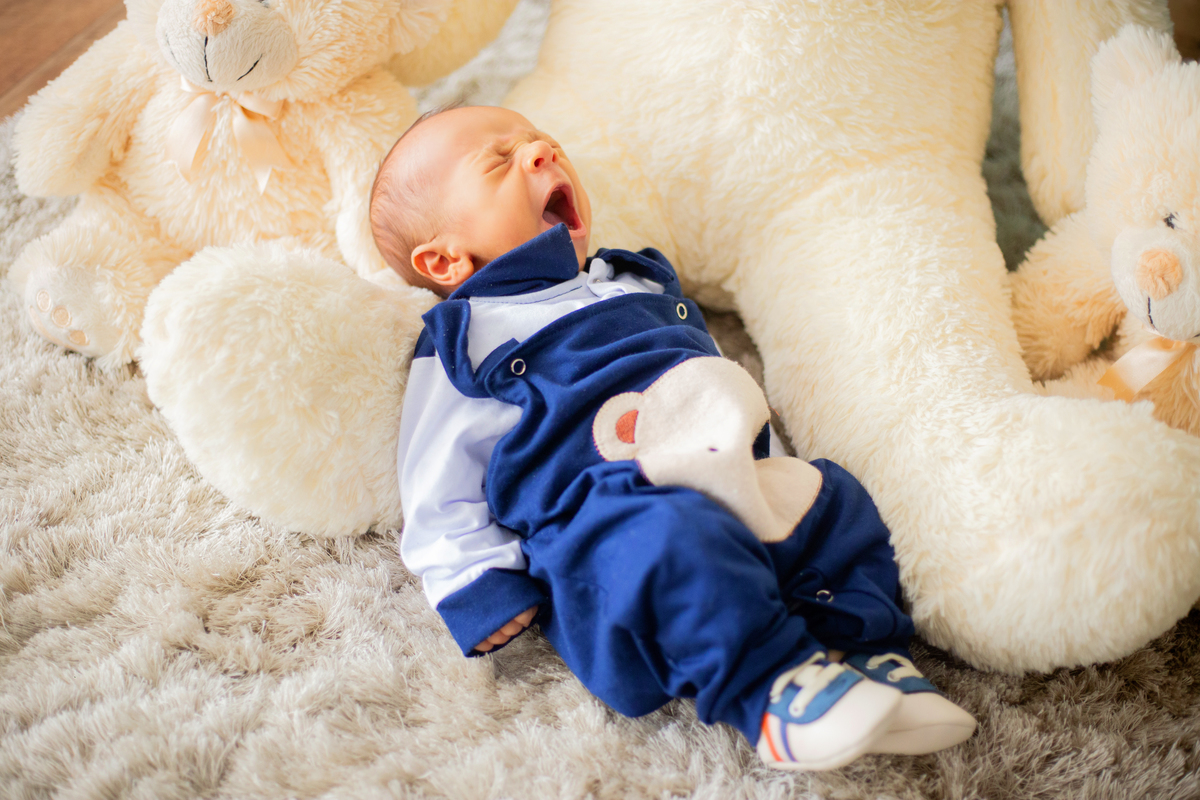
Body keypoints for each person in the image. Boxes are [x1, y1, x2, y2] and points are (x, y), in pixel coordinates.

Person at [370, 105, 976, 771]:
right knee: (669, 543)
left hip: (724, 471)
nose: (542, 151)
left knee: (828, 495)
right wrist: (478, 586)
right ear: (446, 258)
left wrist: (758, 460)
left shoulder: (633, 279)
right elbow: (435, 481)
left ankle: (862, 649)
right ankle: (771, 693)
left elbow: (707, 376)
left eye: (542, 143)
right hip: (603, 528)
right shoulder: (469, 338)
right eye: (499, 160)